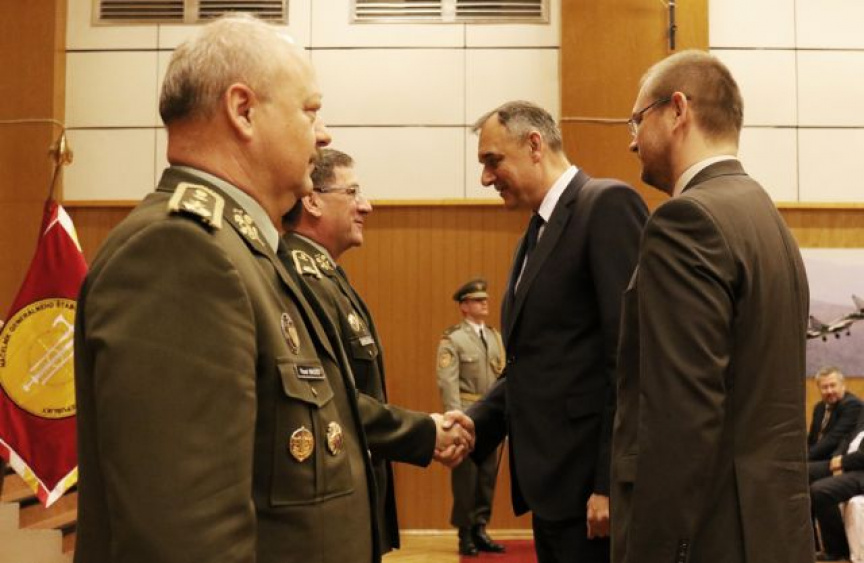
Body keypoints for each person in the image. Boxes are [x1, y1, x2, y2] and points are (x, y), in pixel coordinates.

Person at [73, 16, 468, 563]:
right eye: (309, 110)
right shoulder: (180, 251)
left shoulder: (248, 249)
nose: (323, 134)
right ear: (243, 110)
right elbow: (187, 540)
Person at [611, 50, 813, 563]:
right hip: (772, 529)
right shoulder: (765, 216)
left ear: (678, 110)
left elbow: (681, 415)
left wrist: (656, 552)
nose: (632, 140)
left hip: (710, 535)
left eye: (637, 120)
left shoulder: (686, 221)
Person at [465, 100, 648, 563]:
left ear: (534, 145)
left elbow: (632, 356)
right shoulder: (535, 233)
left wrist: (610, 484)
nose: (486, 178)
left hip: (590, 491)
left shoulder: (605, 206)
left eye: (493, 161)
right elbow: (533, 360)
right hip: (552, 486)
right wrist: (474, 423)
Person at [280, 148, 472, 554]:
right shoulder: (303, 277)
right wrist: (425, 432)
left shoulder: (325, 275)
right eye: (352, 192)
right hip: (331, 502)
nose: (366, 205)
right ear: (312, 200)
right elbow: (332, 401)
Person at [437, 278, 507, 557]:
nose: (485, 303)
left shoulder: (494, 337)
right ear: (464, 306)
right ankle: (464, 533)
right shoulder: (453, 339)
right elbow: (447, 382)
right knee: (466, 478)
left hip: (491, 418)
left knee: (487, 477)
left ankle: (480, 528)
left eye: (485, 299)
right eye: (478, 300)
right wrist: (454, 420)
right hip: (465, 414)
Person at [810, 411, 864, 561]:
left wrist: (842, 462)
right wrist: (837, 456)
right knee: (804, 474)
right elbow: (848, 437)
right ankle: (811, 543)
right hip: (848, 463)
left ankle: (837, 550)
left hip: (860, 470)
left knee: (821, 490)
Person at [808, 366, 862, 461]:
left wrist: (805, 457)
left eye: (833, 386)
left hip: (836, 459)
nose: (829, 391)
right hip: (816, 456)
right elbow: (812, 439)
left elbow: (833, 440)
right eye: (824, 387)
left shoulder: (852, 405)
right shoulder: (819, 407)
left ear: (842, 385)